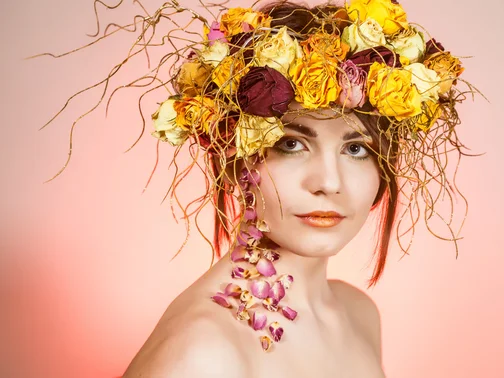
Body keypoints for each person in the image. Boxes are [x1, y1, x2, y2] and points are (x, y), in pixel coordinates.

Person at [41, 0, 475, 376]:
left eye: (357, 149)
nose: (328, 182)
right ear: (234, 156)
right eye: (290, 144)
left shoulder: (360, 315)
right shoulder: (203, 355)